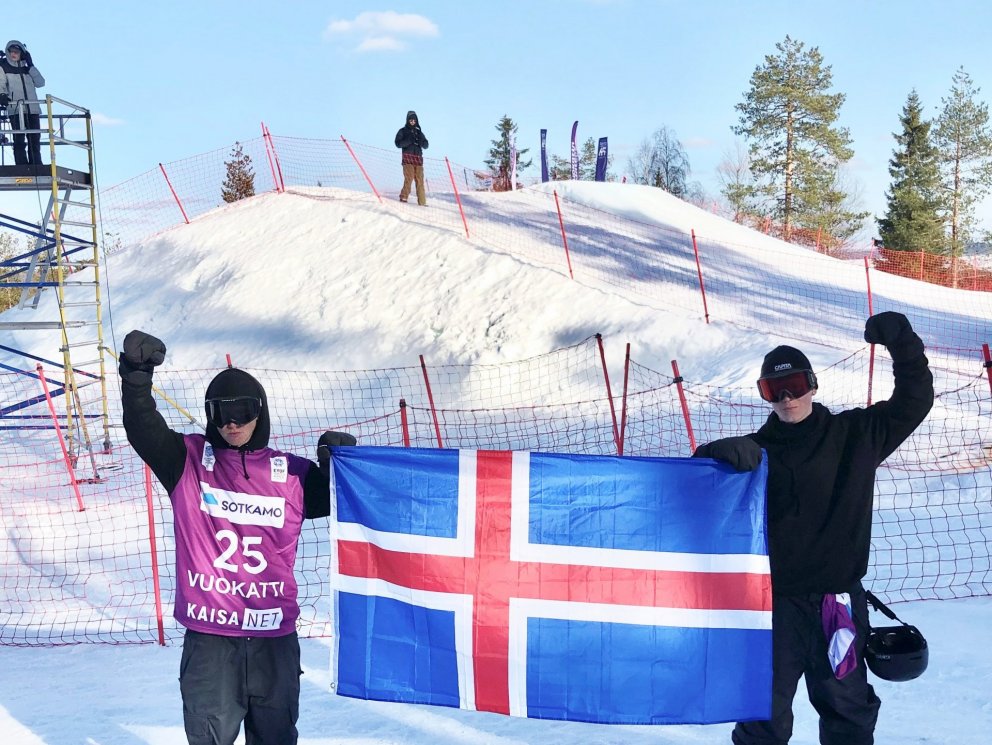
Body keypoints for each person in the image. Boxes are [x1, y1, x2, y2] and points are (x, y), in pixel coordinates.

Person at [693, 311, 934, 745]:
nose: (787, 398)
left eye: (796, 386)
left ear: (813, 385)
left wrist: (904, 343)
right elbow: (690, 490)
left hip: (835, 605)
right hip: (771, 608)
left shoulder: (856, 435)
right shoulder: (754, 453)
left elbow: (915, 400)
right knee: (760, 714)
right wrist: (712, 453)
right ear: (764, 395)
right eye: (774, 389)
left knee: (846, 710)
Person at [119, 329, 356, 745]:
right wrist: (136, 376)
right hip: (211, 644)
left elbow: (346, 498)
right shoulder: (187, 462)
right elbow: (142, 427)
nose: (232, 423)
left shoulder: (292, 475)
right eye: (221, 412)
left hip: (274, 643)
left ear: (260, 412)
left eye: (243, 411)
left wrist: (342, 464)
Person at [0, 40, 45, 166]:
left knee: (35, 138)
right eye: (11, 51)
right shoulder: (3, 67)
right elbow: (0, 83)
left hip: (32, 108)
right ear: (8, 52)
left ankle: (36, 163)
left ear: (22, 53)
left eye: (17, 52)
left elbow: (41, 83)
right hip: (15, 108)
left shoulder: (28, 69)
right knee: (19, 138)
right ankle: (21, 164)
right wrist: (2, 95)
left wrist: (31, 66)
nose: (14, 54)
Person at [394, 110, 429, 205]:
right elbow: (398, 143)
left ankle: (422, 202)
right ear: (407, 120)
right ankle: (403, 197)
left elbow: (426, 144)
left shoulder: (419, 132)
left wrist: (422, 142)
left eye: (414, 120)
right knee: (409, 178)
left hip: (418, 160)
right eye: (411, 120)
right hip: (407, 160)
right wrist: (409, 140)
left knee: (420, 181)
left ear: (416, 121)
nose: (412, 122)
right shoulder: (403, 131)